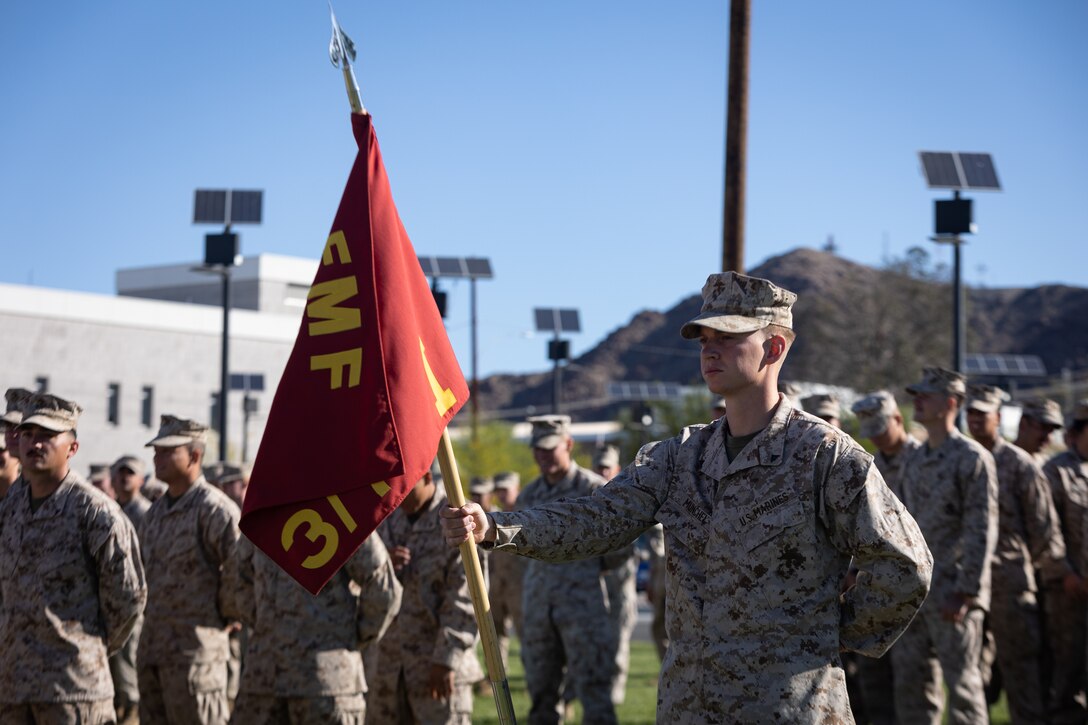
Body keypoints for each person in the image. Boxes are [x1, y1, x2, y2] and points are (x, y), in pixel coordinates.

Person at [441, 271, 933, 723]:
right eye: (704, 341)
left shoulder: (824, 456)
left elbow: (905, 565)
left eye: (728, 338)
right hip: (689, 706)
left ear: (774, 347)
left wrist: (829, 633)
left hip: (787, 708)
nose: (710, 351)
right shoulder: (679, 458)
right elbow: (596, 518)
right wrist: (495, 527)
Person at [0, 392, 147, 724]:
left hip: (73, 691)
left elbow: (128, 598)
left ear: (72, 448)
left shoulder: (95, 513)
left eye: (48, 436)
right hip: (14, 689)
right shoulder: (11, 508)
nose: (34, 444)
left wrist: (87, 648)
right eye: (28, 434)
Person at [893, 367, 998, 725]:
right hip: (916, 595)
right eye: (916, 395)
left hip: (954, 593)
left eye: (926, 395)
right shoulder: (915, 459)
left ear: (950, 403)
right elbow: (902, 529)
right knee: (913, 688)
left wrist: (968, 591)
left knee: (964, 690)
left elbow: (981, 528)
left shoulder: (972, 458)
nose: (917, 401)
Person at [965, 384, 1069, 723]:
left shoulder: (1019, 465)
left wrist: (1035, 572)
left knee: (1022, 675)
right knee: (972, 676)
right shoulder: (962, 459)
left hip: (1010, 584)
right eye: (972, 413)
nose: (977, 420)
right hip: (968, 585)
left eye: (984, 414)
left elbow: (1044, 531)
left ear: (999, 418)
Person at [223, 531, 402, 724]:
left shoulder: (263, 510)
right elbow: (384, 591)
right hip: (318, 681)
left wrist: (270, 631)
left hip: (270, 679)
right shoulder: (340, 512)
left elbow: (239, 586)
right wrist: (350, 638)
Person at [138, 415, 241, 725]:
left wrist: (223, 619)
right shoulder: (155, 513)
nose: (158, 458)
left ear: (195, 456)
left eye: (168, 451)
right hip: (154, 652)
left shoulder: (215, 509)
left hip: (197, 657)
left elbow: (241, 573)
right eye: (156, 451)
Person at [366, 467, 481, 725]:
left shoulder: (457, 520)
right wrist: (384, 566)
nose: (396, 496)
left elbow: (466, 599)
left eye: (403, 488)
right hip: (389, 669)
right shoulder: (386, 517)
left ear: (427, 476)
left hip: (437, 670)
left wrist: (446, 660)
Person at [1042, 399, 1088, 723]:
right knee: (1068, 672)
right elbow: (1046, 530)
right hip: (1070, 593)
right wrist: (1066, 573)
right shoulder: (1057, 470)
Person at [591, 442, 638, 706]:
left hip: (621, 583)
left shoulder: (626, 494)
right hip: (594, 585)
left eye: (606, 468)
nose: (602, 472)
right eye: (598, 467)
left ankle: (614, 696)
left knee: (619, 640)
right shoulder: (588, 495)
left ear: (616, 469)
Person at [110, 454, 153, 724]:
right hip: (110, 602)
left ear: (140, 479)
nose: (125, 477)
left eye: (131, 473)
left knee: (128, 657)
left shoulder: (146, 513)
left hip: (136, 602)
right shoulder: (110, 509)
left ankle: (131, 708)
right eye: (121, 472)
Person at [488, 471, 525, 672]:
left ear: (516, 489)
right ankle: (496, 675)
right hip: (498, 585)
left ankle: (534, 679)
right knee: (496, 633)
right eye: (498, 490)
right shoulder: (493, 518)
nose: (502, 495)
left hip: (521, 586)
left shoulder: (526, 516)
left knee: (527, 635)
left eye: (506, 490)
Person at [1015, 397, 1064, 463]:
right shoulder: (1000, 460)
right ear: (1023, 424)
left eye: (1051, 430)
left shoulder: (1047, 465)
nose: (1048, 437)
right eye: (1043, 428)